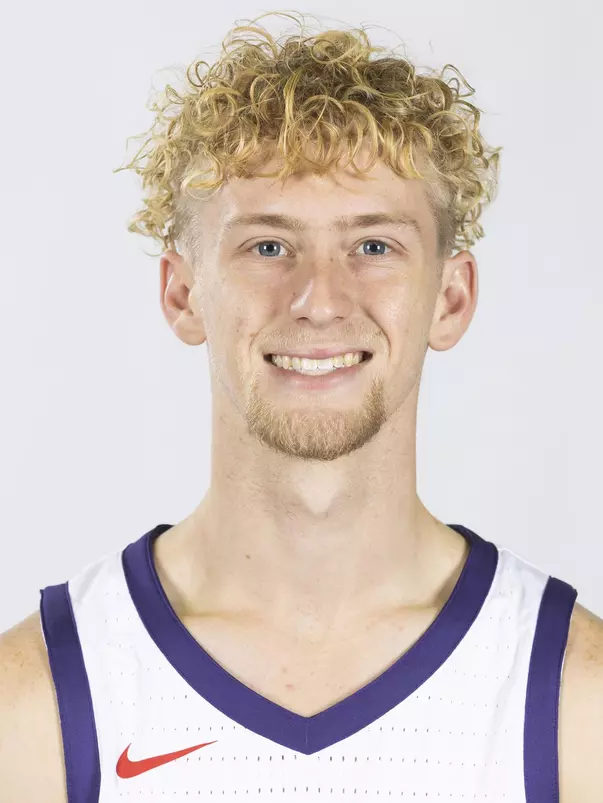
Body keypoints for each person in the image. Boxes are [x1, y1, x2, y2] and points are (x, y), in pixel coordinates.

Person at [1, 10, 601, 802]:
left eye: (373, 246)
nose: (319, 299)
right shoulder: (36, 701)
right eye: (268, 246)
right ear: (182, 293)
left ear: (451, 299)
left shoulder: (575, 698)